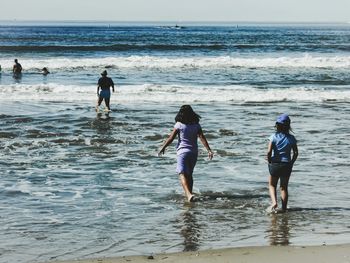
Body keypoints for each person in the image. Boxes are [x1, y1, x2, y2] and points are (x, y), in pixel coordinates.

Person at [158, 105, 214, 202]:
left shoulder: (179, 125)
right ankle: (190, 195)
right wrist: (209, 150)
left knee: (182, 173)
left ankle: (188, 194)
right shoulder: (196, 125)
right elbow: (202, 138)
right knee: (190, 174)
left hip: (182, 152)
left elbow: (171, 138)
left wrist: (163, 147)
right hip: (193, 152)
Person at [266, 114, 298, 213]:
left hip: (275, 163)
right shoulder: (291, 138)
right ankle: (284, 208)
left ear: (277, 125)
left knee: (272, 185)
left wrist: (269, 160)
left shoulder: (273, 136)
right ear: (289, 126)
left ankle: (274, 203)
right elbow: (296, 153)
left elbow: (269, 151)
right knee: (284, 187)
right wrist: (291, 162)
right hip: (286, 164)